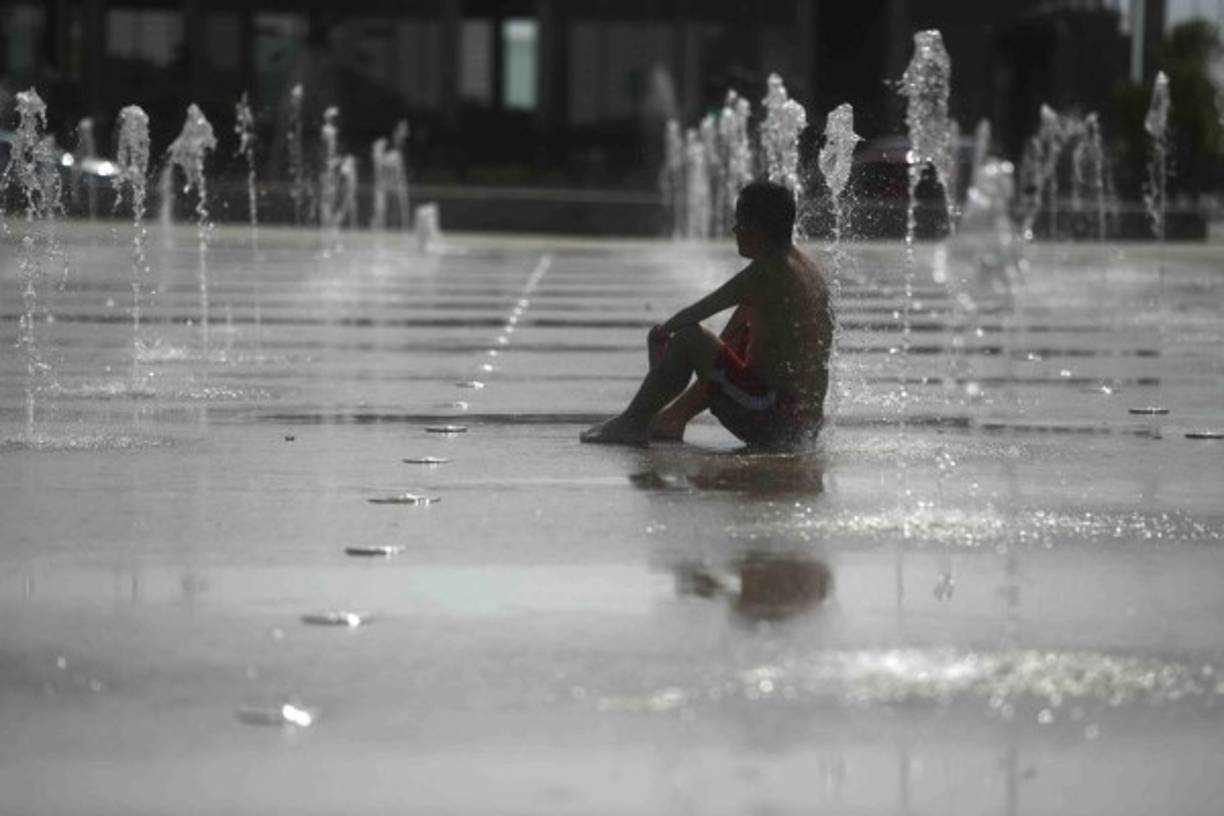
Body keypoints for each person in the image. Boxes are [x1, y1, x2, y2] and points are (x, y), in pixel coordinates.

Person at [581, 180, 833, 449]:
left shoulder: (769, 271)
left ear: (756, 229)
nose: (734, 230)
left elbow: (694, 314)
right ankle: (671, 419)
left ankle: (632, 423)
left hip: (774, 422)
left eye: (739, 223)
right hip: (799, 426)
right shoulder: (805, 268)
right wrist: (666, 372)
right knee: (735, 337)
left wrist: (662, 335)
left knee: (690, 337)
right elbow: (718, 360)